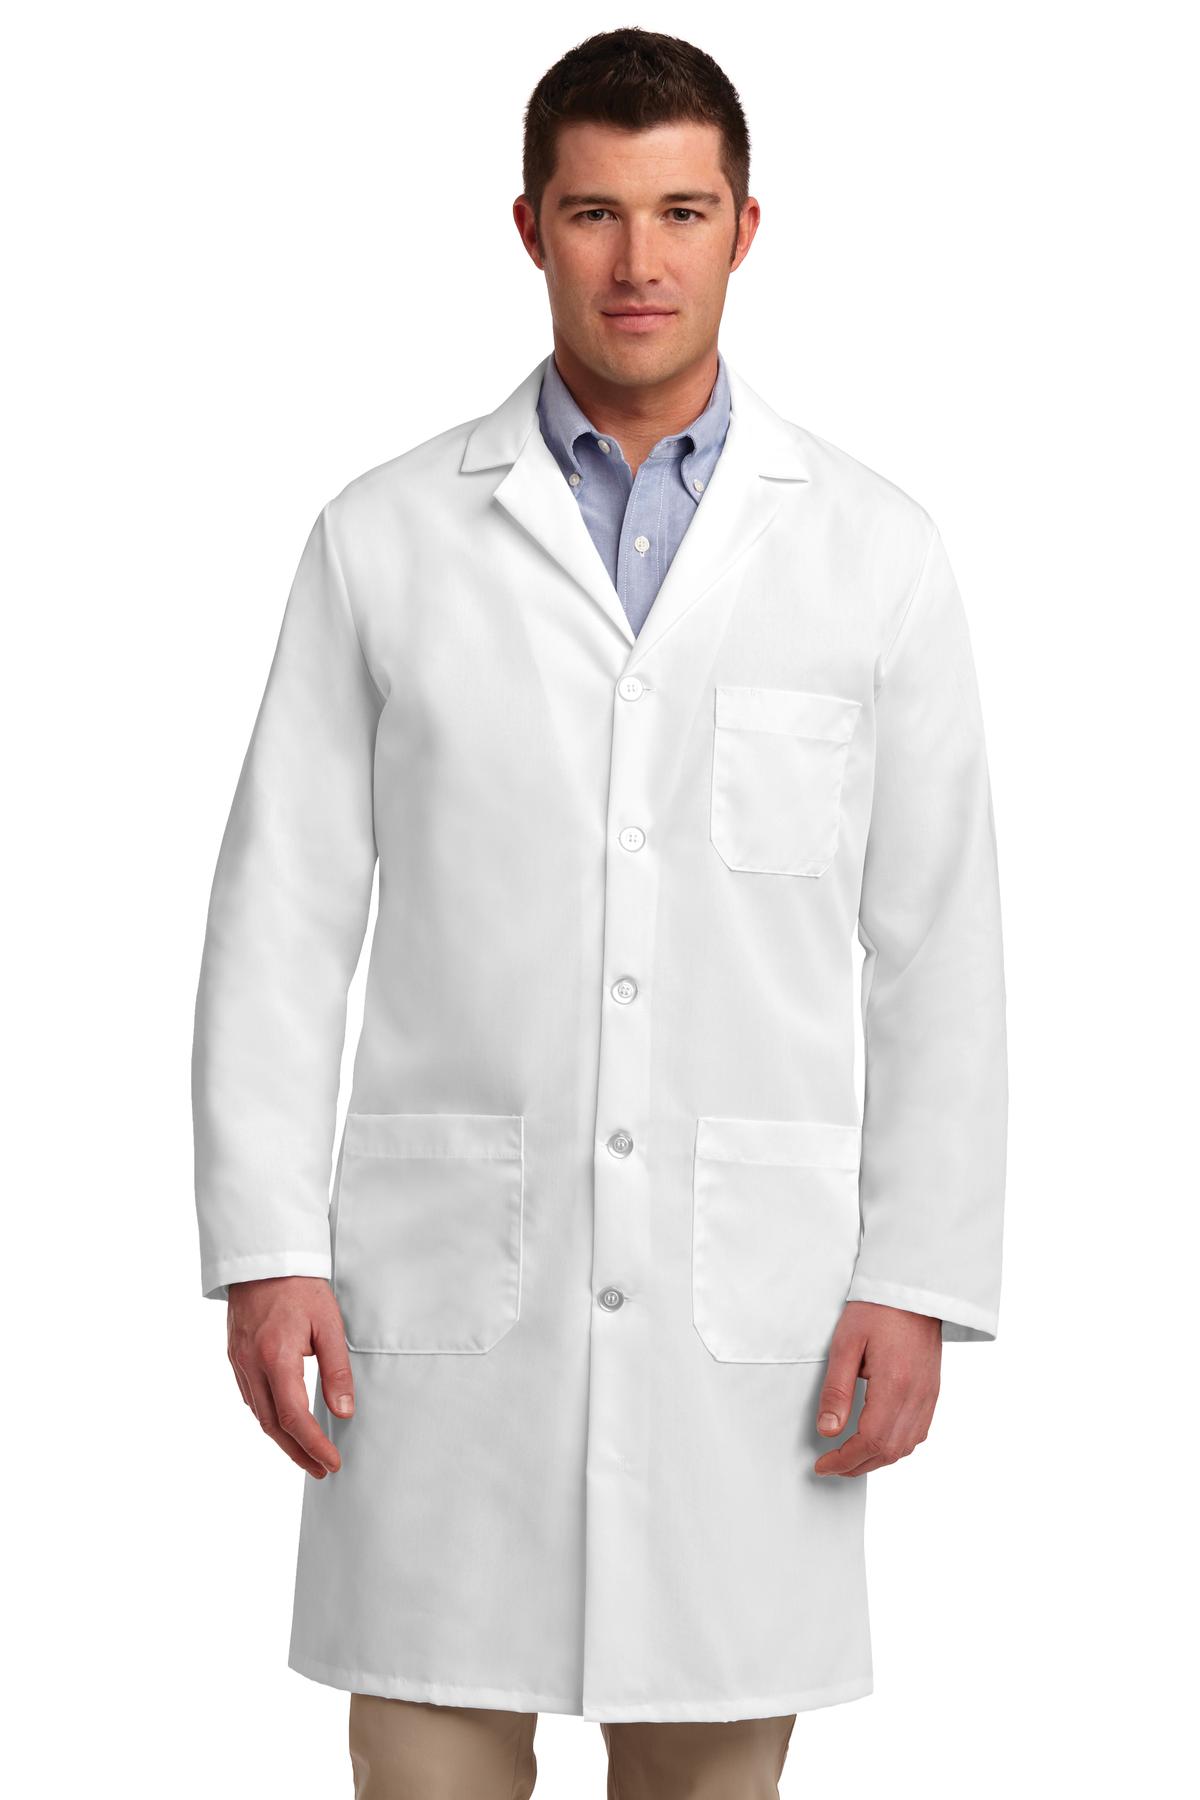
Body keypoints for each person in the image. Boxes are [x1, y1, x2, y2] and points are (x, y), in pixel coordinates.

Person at [191, 26, 1008, 1800]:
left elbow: (940, 947)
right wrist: (266, 1249)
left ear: (745, 229)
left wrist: (917, 1276)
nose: (640, 260)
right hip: (443, 1313)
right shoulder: (385, 538)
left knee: (713, 1761)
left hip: (751, 1330)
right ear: (529, 228)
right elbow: (281, 916)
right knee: (427, 1749)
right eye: (595, 212)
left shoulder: (874, 553)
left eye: (682, 211)